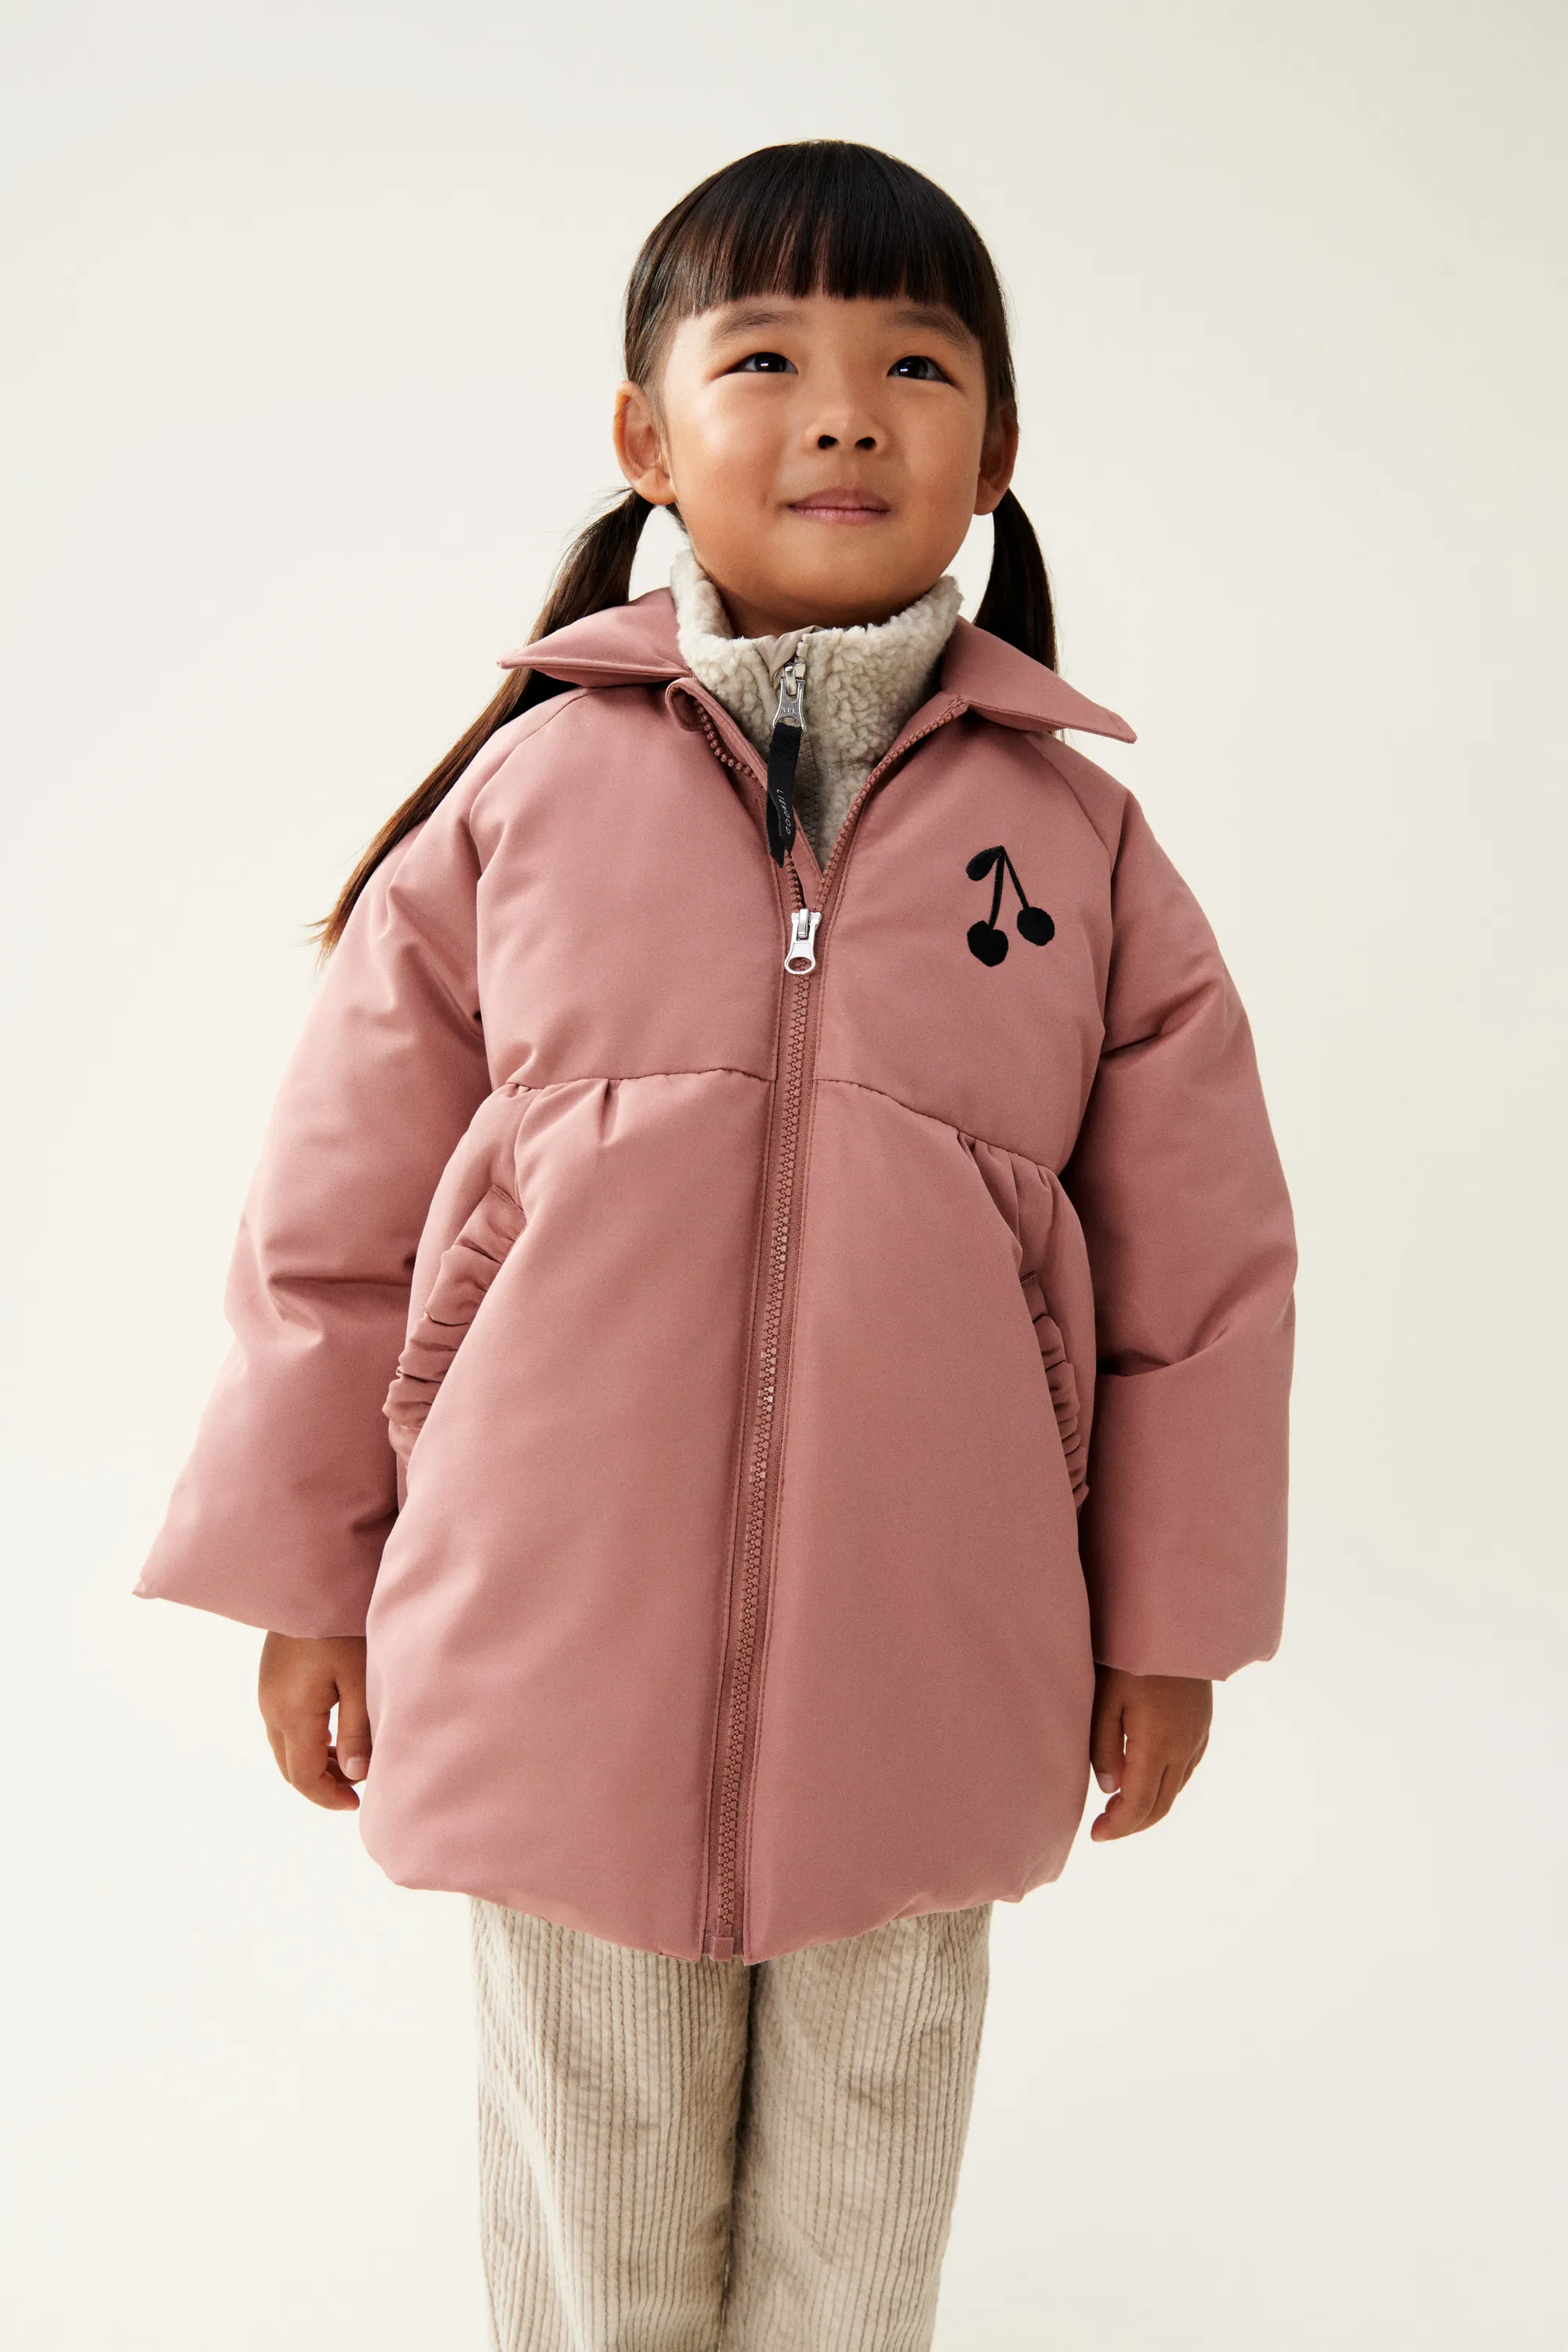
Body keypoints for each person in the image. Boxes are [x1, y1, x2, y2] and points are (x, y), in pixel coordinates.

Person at [138, 139, 1296, 2351]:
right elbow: (336, 1226)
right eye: (765, 359)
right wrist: (307, 1573)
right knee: (600, 2242)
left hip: (935, 1667)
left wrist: (1172, 1628)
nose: (844, 413)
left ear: (997, 454)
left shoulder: (1081, 852)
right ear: (646, 437)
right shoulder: (522, 803)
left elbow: (1203, 1283)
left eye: (914, 365)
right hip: (548, 1651)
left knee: (859, 2243)